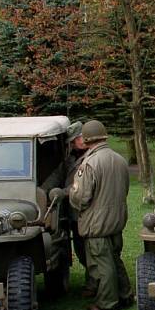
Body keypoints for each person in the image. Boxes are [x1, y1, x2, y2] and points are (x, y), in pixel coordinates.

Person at [69, 120, 132, 310]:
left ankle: (107, 302)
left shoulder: (89, 163)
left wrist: (71, 192)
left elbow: (81, 198)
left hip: (97, 223)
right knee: (114, 259)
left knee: (102, 264)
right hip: (116, 219)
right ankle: (125, 294)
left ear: (87, 139)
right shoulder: (119, 159)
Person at [64, 121, 96, 297]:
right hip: (75, 213)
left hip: (85, 212)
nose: (79, 141)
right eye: (77, 139)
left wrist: (62, 192)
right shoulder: (72, 157)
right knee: (81, 249)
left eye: (80, 138)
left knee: (88, 251)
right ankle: (92, 281)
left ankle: (93, 284)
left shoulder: (90, 159)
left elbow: (80, 188)